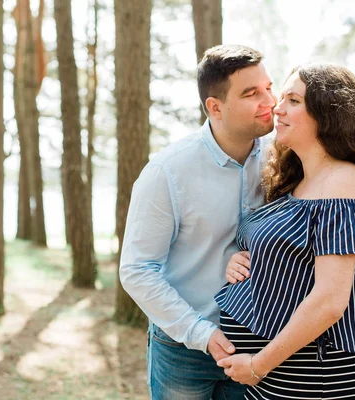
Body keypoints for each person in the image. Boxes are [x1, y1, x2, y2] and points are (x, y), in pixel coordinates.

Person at [215, 64, 355, 400]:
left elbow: (329, 302)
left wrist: (259, 364)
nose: (277, 108)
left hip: (315, 378)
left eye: (293, 100)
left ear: (328, 114)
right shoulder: (304, 181)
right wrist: (243, 260)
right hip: (284, 375)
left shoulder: (344, 185)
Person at [119, 44, 277, 400]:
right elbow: (137, 269)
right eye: (251, 93)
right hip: (183, 349)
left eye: (268, 87)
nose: (269, 100)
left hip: (258, 347)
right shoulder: (168, 172)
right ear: (215, 107)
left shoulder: (282, 158)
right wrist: (199, 332)